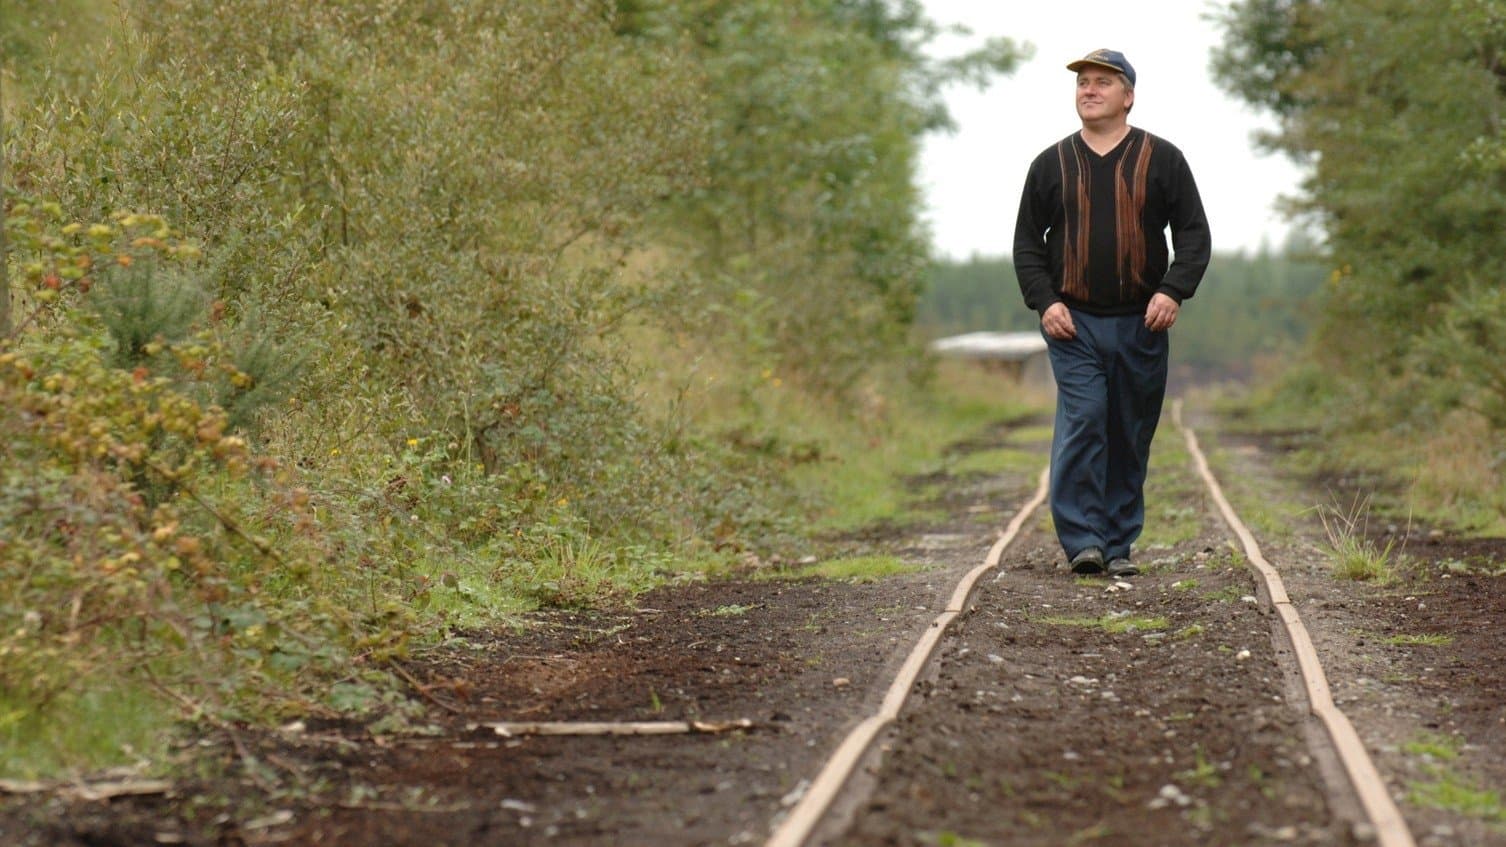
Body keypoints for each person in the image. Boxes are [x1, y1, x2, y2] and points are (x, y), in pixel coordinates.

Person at [1012, 49, 1211, 578]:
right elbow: (1027, 244)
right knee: (1084, 419)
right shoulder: (1050, 164)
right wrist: (1046, 301)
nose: (1089, 90)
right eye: (1083, 82)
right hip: (1072, 323)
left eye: (1103, 82)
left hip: (1143, 322)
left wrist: (1173, 291)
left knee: (1129, 429)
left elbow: (1193, 235)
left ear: (1129, 96)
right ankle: (1083, 540)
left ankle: (1118, 543)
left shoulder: (1162, 159)